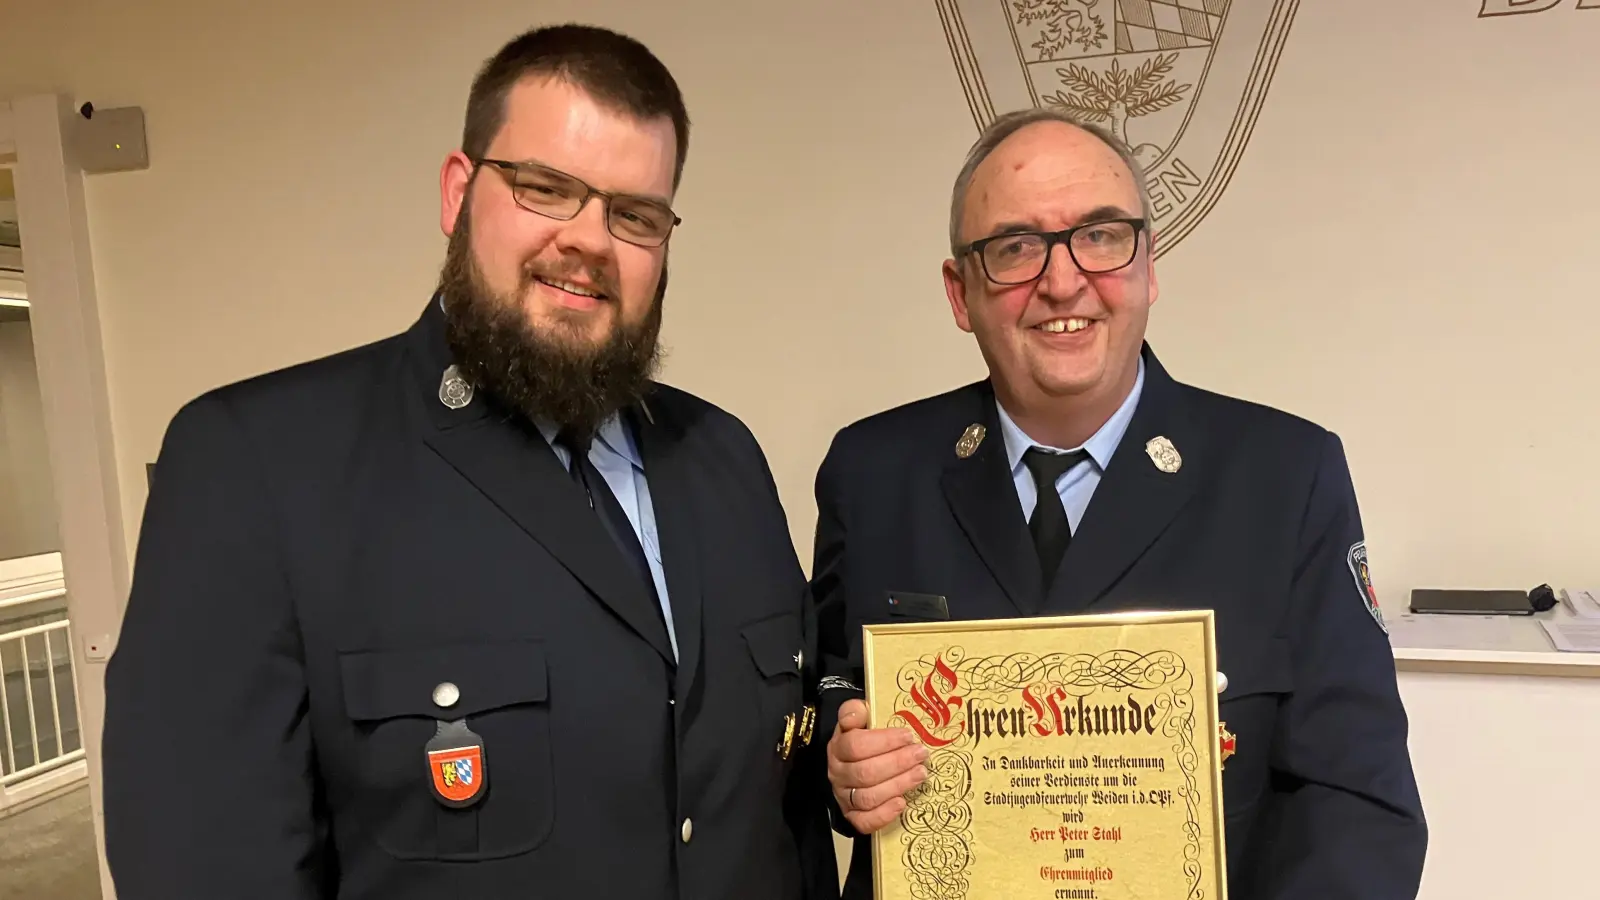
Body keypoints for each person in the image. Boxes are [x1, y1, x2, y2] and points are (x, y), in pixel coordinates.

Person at [101, 23, 836, 900]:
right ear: (459, 192)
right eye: (546, 189)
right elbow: (207, 868)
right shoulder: (257, 467)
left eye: (634, 215)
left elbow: (777, 820)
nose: (591, 241)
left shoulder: (724, 460)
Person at [810, 107, 1427, 899]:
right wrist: (842, 764)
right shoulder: (873, 471)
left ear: (1148, 266)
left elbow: (1357, 805)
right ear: (960, 292)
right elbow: (823, 696)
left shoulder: (1285, 475)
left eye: (1101, 235)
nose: (1062, 281)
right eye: (1015, 248)